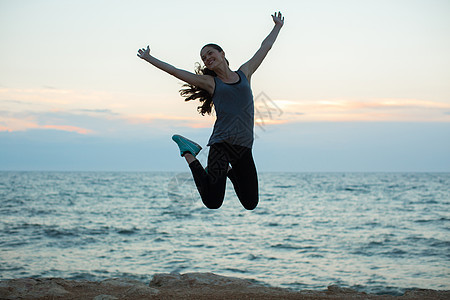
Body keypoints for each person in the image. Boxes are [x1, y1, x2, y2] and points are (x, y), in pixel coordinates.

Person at [137, 12, 284, 210]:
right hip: (221, 145)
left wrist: (277, 26)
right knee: (213, 202)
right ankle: (189, 151)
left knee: (250, 203)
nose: (207, 58)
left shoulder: (245, 72)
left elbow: (264, 48)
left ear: (222, 54)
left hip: (243, 147)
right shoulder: (211, 83)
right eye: (204, 58)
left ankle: (227, 170)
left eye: (210, 53)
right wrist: (149, 58)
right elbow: (175, 71)